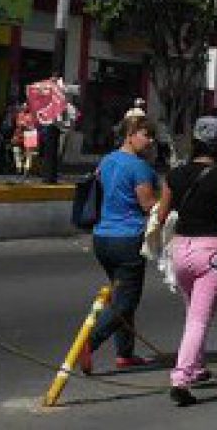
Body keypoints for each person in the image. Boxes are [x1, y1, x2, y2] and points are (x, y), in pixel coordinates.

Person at [157, 122, 217, 407]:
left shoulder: (174, 175)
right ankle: (181, 378)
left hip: (180, 251)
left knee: (192, 313)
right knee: (199, 319)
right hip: (211, 251)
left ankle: (197, 365)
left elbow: (162, 212)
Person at [80, 117, 159, 374]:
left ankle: (125, 353)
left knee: (121, 294)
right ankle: (89, 343)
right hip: (128, 239)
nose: (150, 141)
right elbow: (148, 204)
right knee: (125, 301)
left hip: (102, 237)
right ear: (131, 134)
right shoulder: (140, 168)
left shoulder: (107, 161)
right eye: (146, 135)